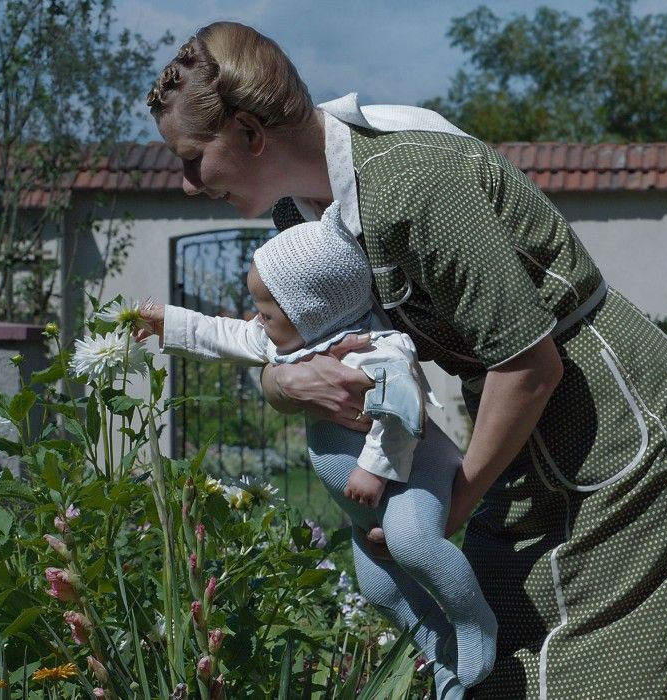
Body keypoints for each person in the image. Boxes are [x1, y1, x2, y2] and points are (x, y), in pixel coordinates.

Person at [145, 21, 667, 699]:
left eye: (192, 158)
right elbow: (289, 345)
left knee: (601, 678)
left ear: (249, 132)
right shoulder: (298, 221)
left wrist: (455, 504)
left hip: (617, 424)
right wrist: (283, 384)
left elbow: (531, 367)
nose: (186, 184)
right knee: (496, 669)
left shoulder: (413, 186)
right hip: (516, 433)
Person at [141, 204, 496, 695]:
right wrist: (167, 323)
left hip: (410, 474)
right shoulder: (291, 341)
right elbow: (224, 333)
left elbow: (403, 410)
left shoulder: (378, 348)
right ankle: (439, 647)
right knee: (377, 587)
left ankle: (474, 622)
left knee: (414, 544)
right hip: (362, 505)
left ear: (309, 310)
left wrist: (373, 470)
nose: (257, 322)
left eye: (266, 312)